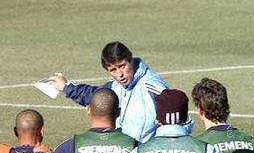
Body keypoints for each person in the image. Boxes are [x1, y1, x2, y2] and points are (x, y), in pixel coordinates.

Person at [48, 41, 190, 143]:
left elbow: (181, 120)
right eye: (113, 70)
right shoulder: (115, 86)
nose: (120, 74)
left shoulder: (153, 87)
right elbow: (94, 96)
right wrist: (66, 87)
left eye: (122, 66)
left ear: (131, 61)